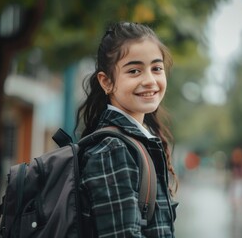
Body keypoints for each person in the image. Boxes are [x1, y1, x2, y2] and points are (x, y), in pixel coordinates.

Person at [75, 22, 178, 238]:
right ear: (107, 82)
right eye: (134, 71)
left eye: (156, 68)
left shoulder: (137, 142)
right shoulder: (113, 150)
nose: (150, 80)